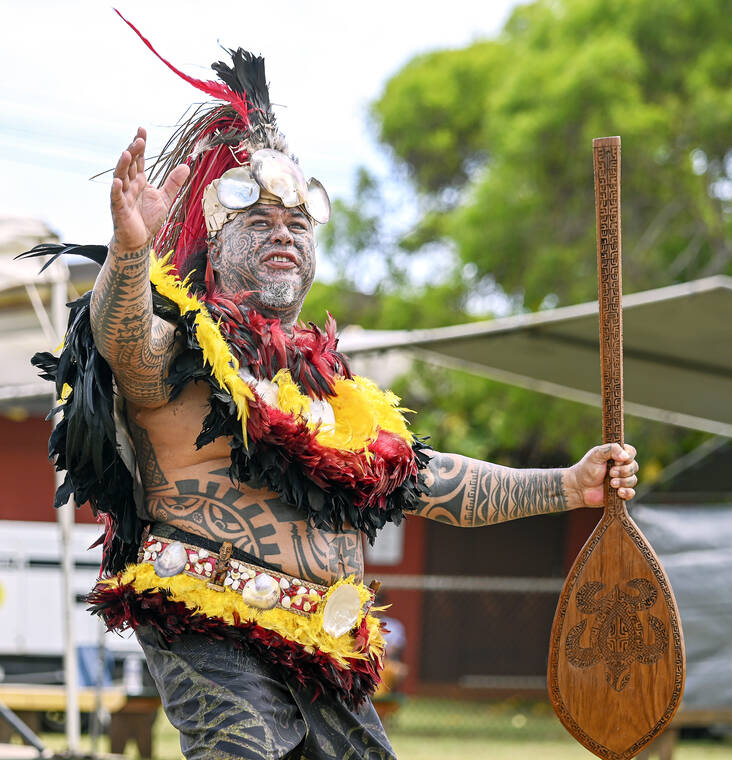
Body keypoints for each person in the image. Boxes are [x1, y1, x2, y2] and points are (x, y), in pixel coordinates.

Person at [28, 20, 638, 760]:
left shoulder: (337, 395)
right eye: (259, 220)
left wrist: (569, 485)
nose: (283, 233)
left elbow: (425, 480)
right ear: (216, 245)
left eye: (295, 223)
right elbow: (124, 346)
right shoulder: (181, 346)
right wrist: (129, 254)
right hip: (209, 625)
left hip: (327, 650)